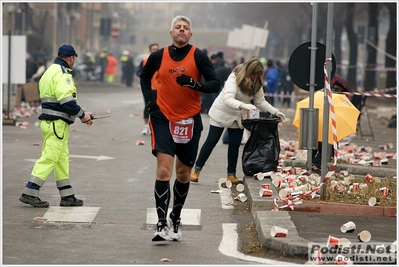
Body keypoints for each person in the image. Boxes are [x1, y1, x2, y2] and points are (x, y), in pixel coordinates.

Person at [140, 15, 220, 242]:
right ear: (171, 33)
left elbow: (215, 83)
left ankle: (176, 217)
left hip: (189, 121)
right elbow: (145, 77)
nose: (182, 30)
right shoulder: (158, 56)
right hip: (163, 118)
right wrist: (149, 100)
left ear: (190, 34)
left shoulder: (199, 55)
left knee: (183, 173)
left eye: (186, 28)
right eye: (178, 27)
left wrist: (196, 85)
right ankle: (160, 222)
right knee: (164, 170)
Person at [19, 44, 95, 208]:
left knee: (61, 159)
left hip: (51, 122)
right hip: (56, 124)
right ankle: (30, 191)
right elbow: (66, 101)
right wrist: (83, 116)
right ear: (71, 58)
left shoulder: (50, 71)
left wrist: (82, 114)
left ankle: (67, 195)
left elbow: (58, 100)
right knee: (49, 158)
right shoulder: (62, 74)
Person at [190, 58, 287, 185]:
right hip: (221, 112)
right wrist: (244, 105)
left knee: (234, 144)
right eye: (253, 74)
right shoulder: (234, 78)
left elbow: (260, 102)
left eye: (257, 75)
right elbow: (227, 99)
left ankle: (231, 174)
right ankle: (197, 169)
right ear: (248, 71)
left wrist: (276, 111)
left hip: (237, 116)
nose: (254, 77)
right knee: (211, 140)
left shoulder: (256, 82)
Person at [136, 43, 159, 135]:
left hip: (159, 88)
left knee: (158, 108)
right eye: (153, 49)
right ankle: (146, 126)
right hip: (148, 88)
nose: (155, 50)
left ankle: (154, 126)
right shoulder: (145, 60)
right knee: (148, 106)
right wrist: (144, 78)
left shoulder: (163, 61)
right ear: (150, 50)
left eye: (157, 49)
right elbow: (138, 72)